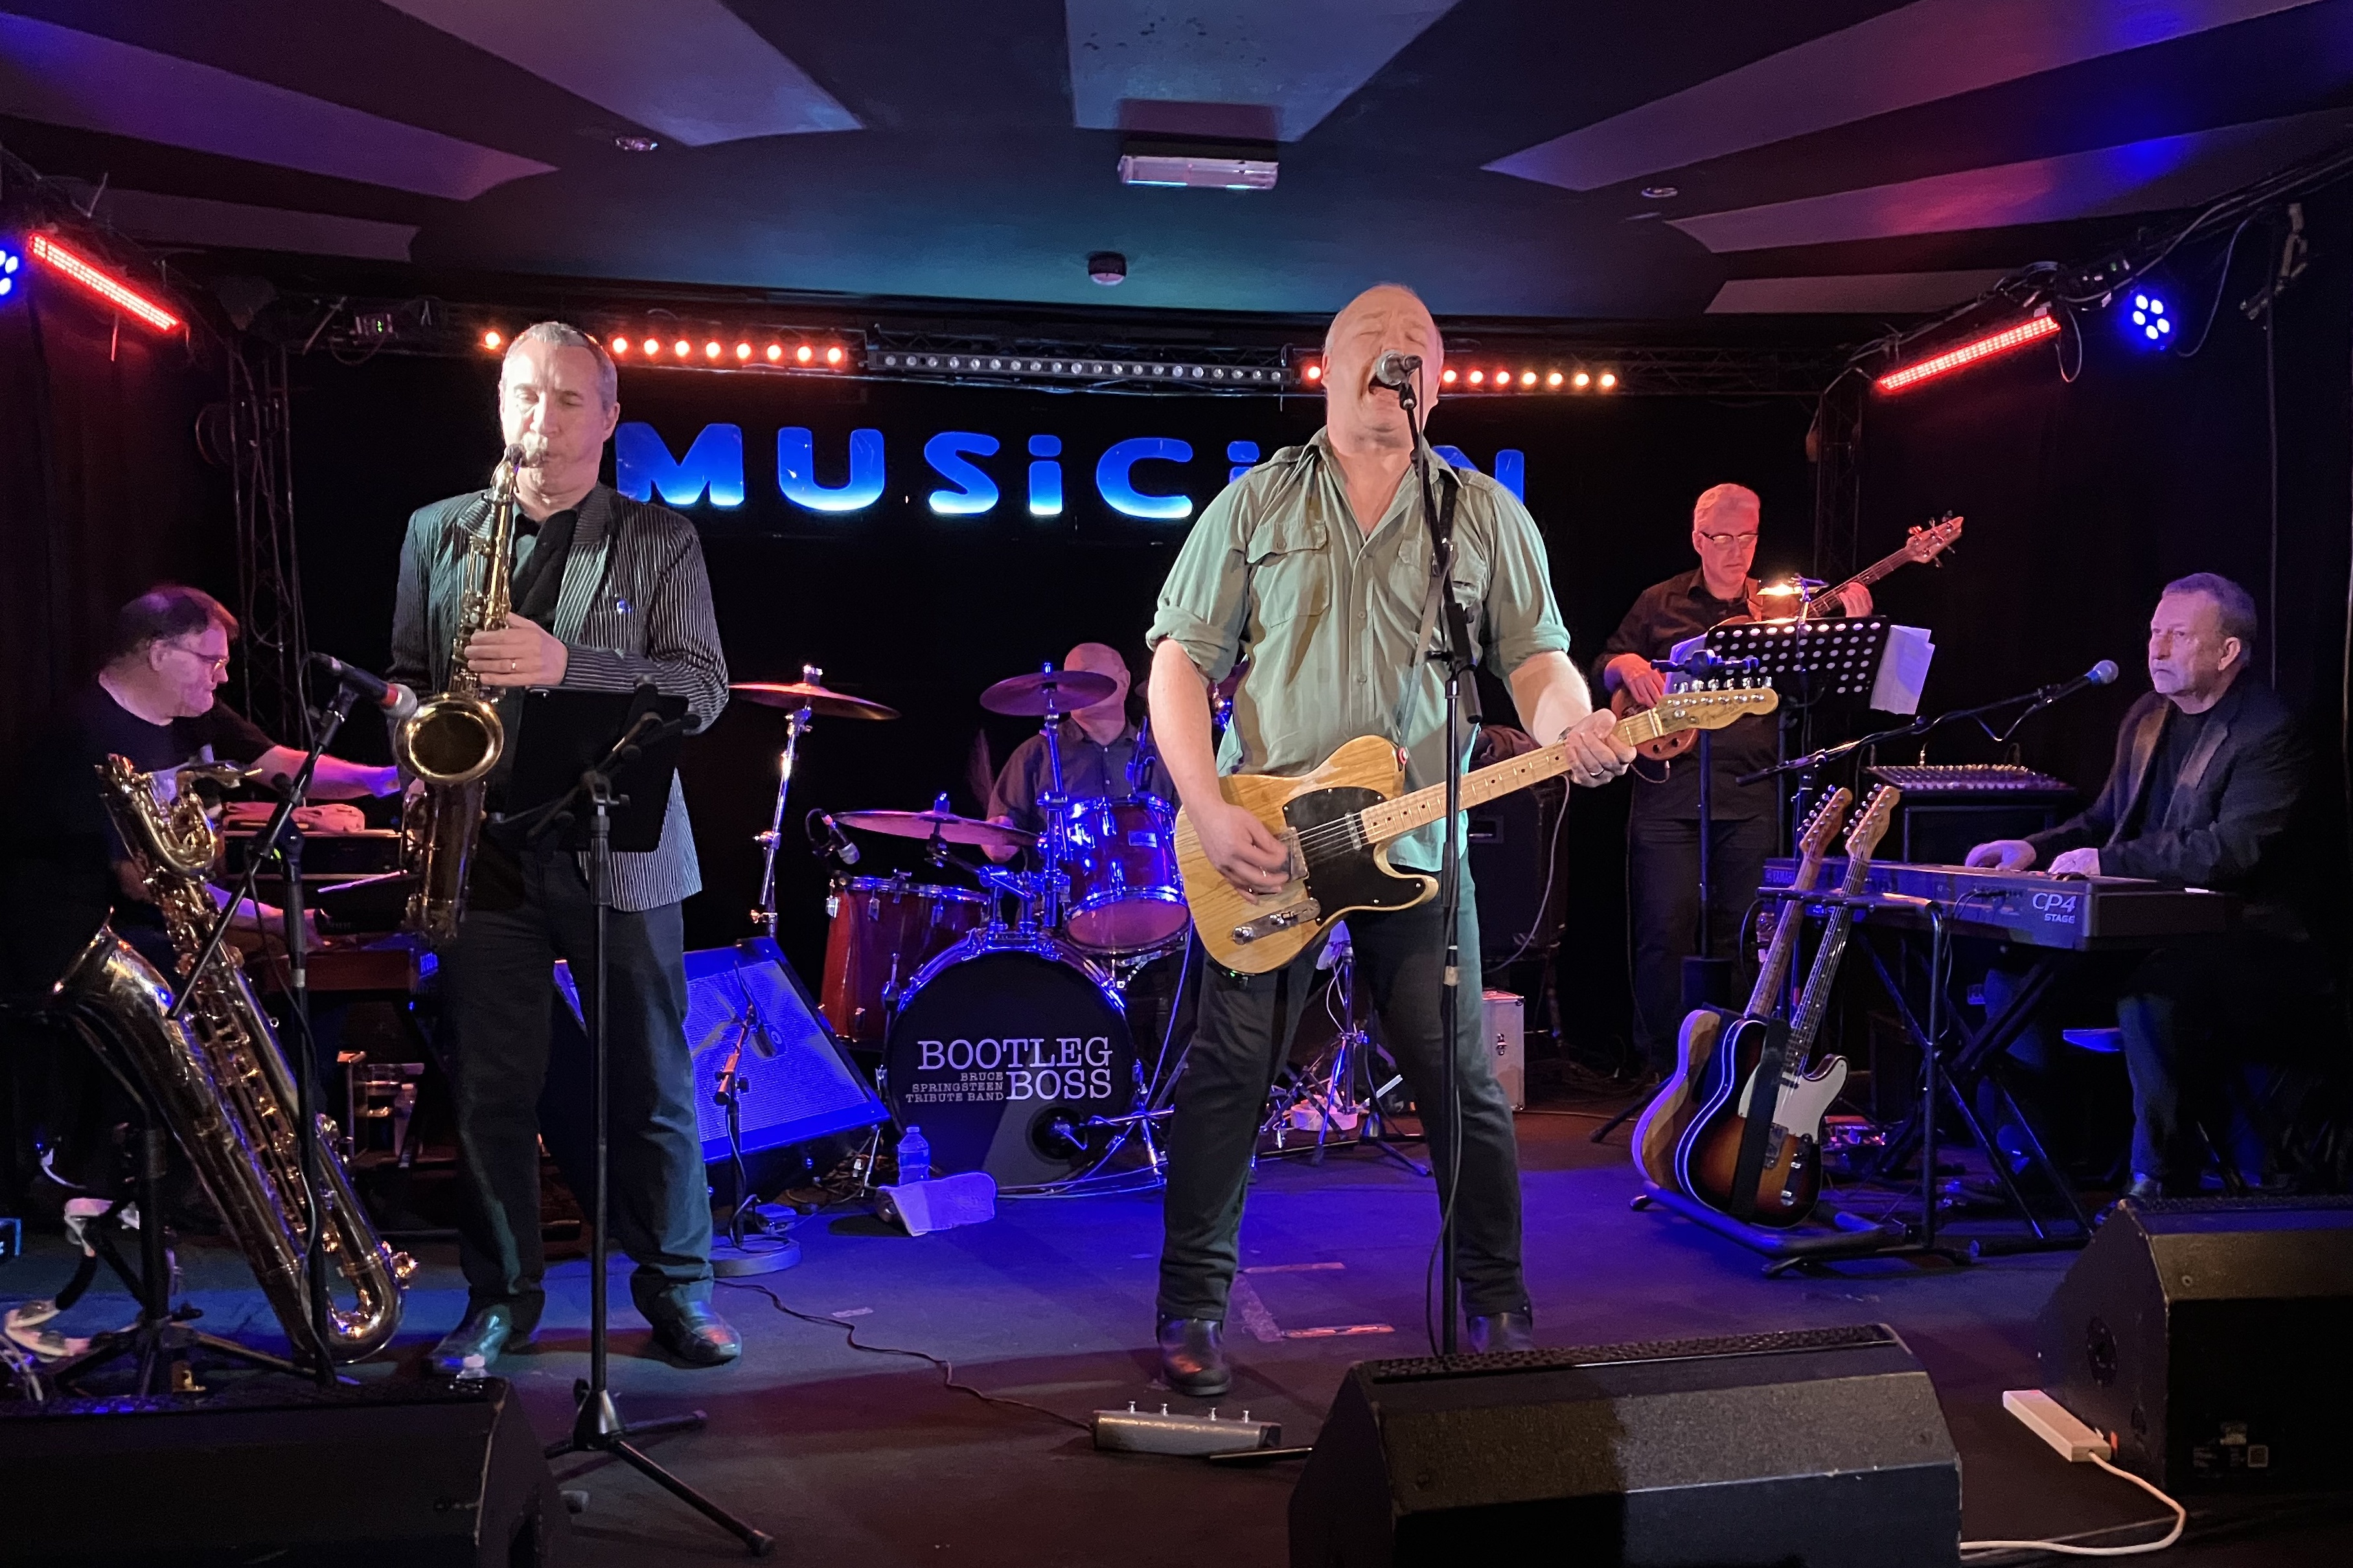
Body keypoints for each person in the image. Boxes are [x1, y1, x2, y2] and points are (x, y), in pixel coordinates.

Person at [1144, 284, 1633, 1394]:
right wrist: (1207, 808)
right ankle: (1191, 1304)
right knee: (1230, 1075)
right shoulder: (1255, 502)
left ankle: (1496, 1298)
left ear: (1438, 380)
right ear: (1327, 368)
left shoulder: (1483, 513)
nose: (1397, 350)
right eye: (1373, 337)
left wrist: (1574, 726)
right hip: (1270, 842)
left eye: (1418, 341)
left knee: (1460, 1081)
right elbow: (1178, 662)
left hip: (1417, 848)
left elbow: (1535, 658)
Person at [391, 321, 737, 1372]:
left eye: (568, 398)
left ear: (611, 417)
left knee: (650, 1083)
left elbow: (703, 688)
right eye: (524, 395)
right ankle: (499, 1297)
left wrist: (567, 666)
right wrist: (412, 733)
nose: (541, 418)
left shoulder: (659, 538)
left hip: (615, 844)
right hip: (480, 847)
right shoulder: (438, 530)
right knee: (491, 1092)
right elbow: (407, 673)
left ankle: (678, 1289)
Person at [0, 585, 398, 1195]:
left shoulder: (196, 714)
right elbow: (145, 882)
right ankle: (150, 1178)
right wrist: (279, 921)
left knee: (313, 996)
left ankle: (293, 1164)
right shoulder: (82, 738)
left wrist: (389, 778)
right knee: (238, 999)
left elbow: (285, 766)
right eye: (211, 660)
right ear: (159, 652)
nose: (223, 675)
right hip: (89, 943)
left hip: (169, 925)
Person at [1968, 573, 2311, 1198]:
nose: (2157, 648)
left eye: (2178, 635)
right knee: (2013, 977)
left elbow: (2229, 850)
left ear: (2227, 651)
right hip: (2139, 933)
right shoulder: (2147, 715)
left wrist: (2105, 860)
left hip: (2243, 940)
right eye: (2154, 632)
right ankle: (2033, 1161)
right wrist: (2034, 848)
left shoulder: (2268, 730)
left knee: (2154, 991)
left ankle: (2157, 1182)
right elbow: (2107, 820)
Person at [1594, 484, 1870, 1076]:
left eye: (1748, 537)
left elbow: (1813, 694)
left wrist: (1847, 628)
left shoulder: (1778, 611)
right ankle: (1664, 1070)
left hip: (1751, 792)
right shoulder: (1659, 601)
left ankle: (1735, 1066)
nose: (1737, 550)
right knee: (1664, 931)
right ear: (1698, 539)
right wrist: (1627, 664)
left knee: (1745, 933)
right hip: (1669, 791)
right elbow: (1605, 664)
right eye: (1723, 537)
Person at [983, 641, 1165, 860]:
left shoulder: (1161, 753)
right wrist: (998, 840)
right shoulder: (1037, 753)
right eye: (1071, 680)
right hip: (1062, 882)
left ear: (1124, 682)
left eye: (1088, 675)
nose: (1078, 686)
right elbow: (997, 842)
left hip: (1157, 880)